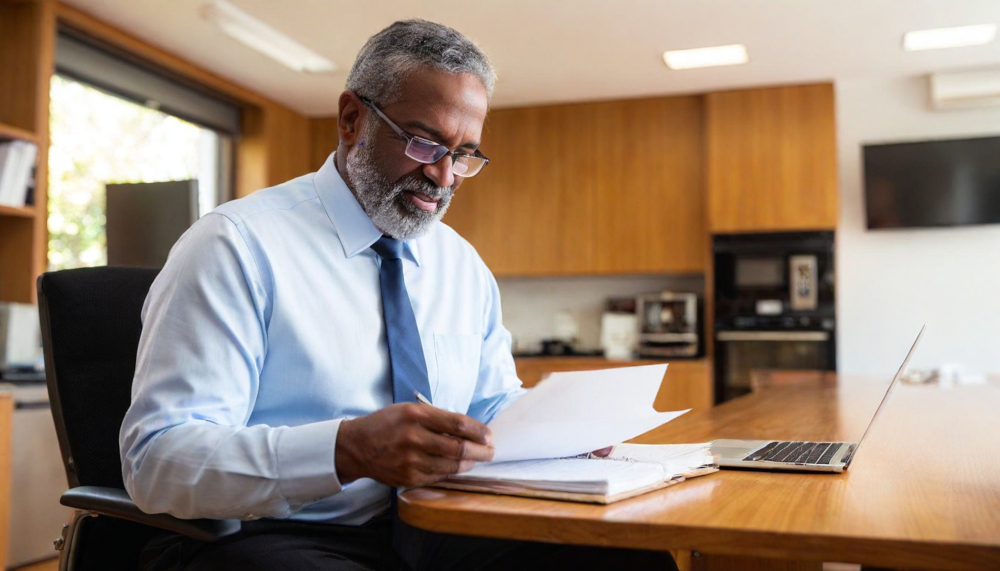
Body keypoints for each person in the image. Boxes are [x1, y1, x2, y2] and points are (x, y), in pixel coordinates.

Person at [120, 19, 678, 571]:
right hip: (277, 532)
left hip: (442, 522)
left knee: (628, 560)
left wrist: (565, 433)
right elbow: (157, 462)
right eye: (424, 141)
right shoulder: (235, 246)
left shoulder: (460, 264)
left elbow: (488, 409)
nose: (444, 176)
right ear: (351, 118)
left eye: (464, 154)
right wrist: (346, 450)